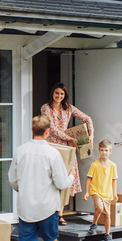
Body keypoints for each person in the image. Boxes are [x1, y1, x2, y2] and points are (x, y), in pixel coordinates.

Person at [7, 115, 73, 241]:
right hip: (47, 206)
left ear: (32, 130)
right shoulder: (53, 153)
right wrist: (71, 179)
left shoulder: (20, 151)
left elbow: (12, 180)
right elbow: (61, 183)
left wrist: (24, 190)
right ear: (47, 132)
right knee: (51, 240)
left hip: (26, 206)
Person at [40, 82, 94, 224]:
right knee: (51, 180)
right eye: (57, 93)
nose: (59, 96)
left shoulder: (68, 108)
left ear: (65, 96)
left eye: (62, 94)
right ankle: (48, 213)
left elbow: (87, 118)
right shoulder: (46, 108)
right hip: (51, 146)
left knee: (65, 178)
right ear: (53, 93)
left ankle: (60, 214)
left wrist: (90, 135)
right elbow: (52, 129)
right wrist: (71, 138)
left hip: (66, 148)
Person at [83, 139, 117, 241]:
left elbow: (114, 180)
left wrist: (115, 193)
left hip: (107, 193)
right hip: (96, 191)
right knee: (99, 208)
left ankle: (107, 234)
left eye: (106, 150)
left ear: (110, 151)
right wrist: (86, 192)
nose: (104, 152)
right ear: (99, 150)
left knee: (107, 215)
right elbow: (89, 178)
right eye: (102, 150)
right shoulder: (94, 165)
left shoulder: (112, 166)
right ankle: (94, 224)